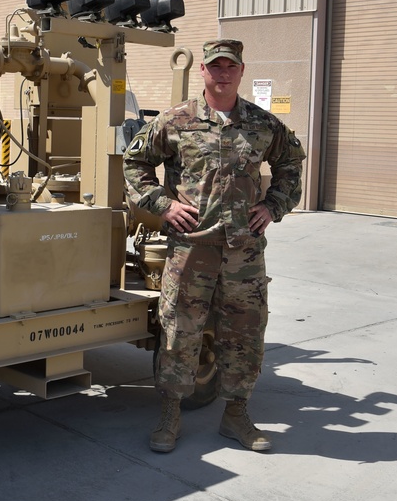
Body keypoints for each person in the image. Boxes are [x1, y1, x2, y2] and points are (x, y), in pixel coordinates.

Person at [123, 39, 306, 453]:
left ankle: (236, 414)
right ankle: (171, 413)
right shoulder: (175, 121)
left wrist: (273, 206)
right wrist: (162, 205)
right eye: (215, 66)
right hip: (191, 248)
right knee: (179, 331)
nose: (222, 73)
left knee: (244, 331)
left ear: (241, 72)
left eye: (230, 67)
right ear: (202, 71)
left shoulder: (263, 124)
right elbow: (134, 162)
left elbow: (291, 164)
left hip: (243, 252)